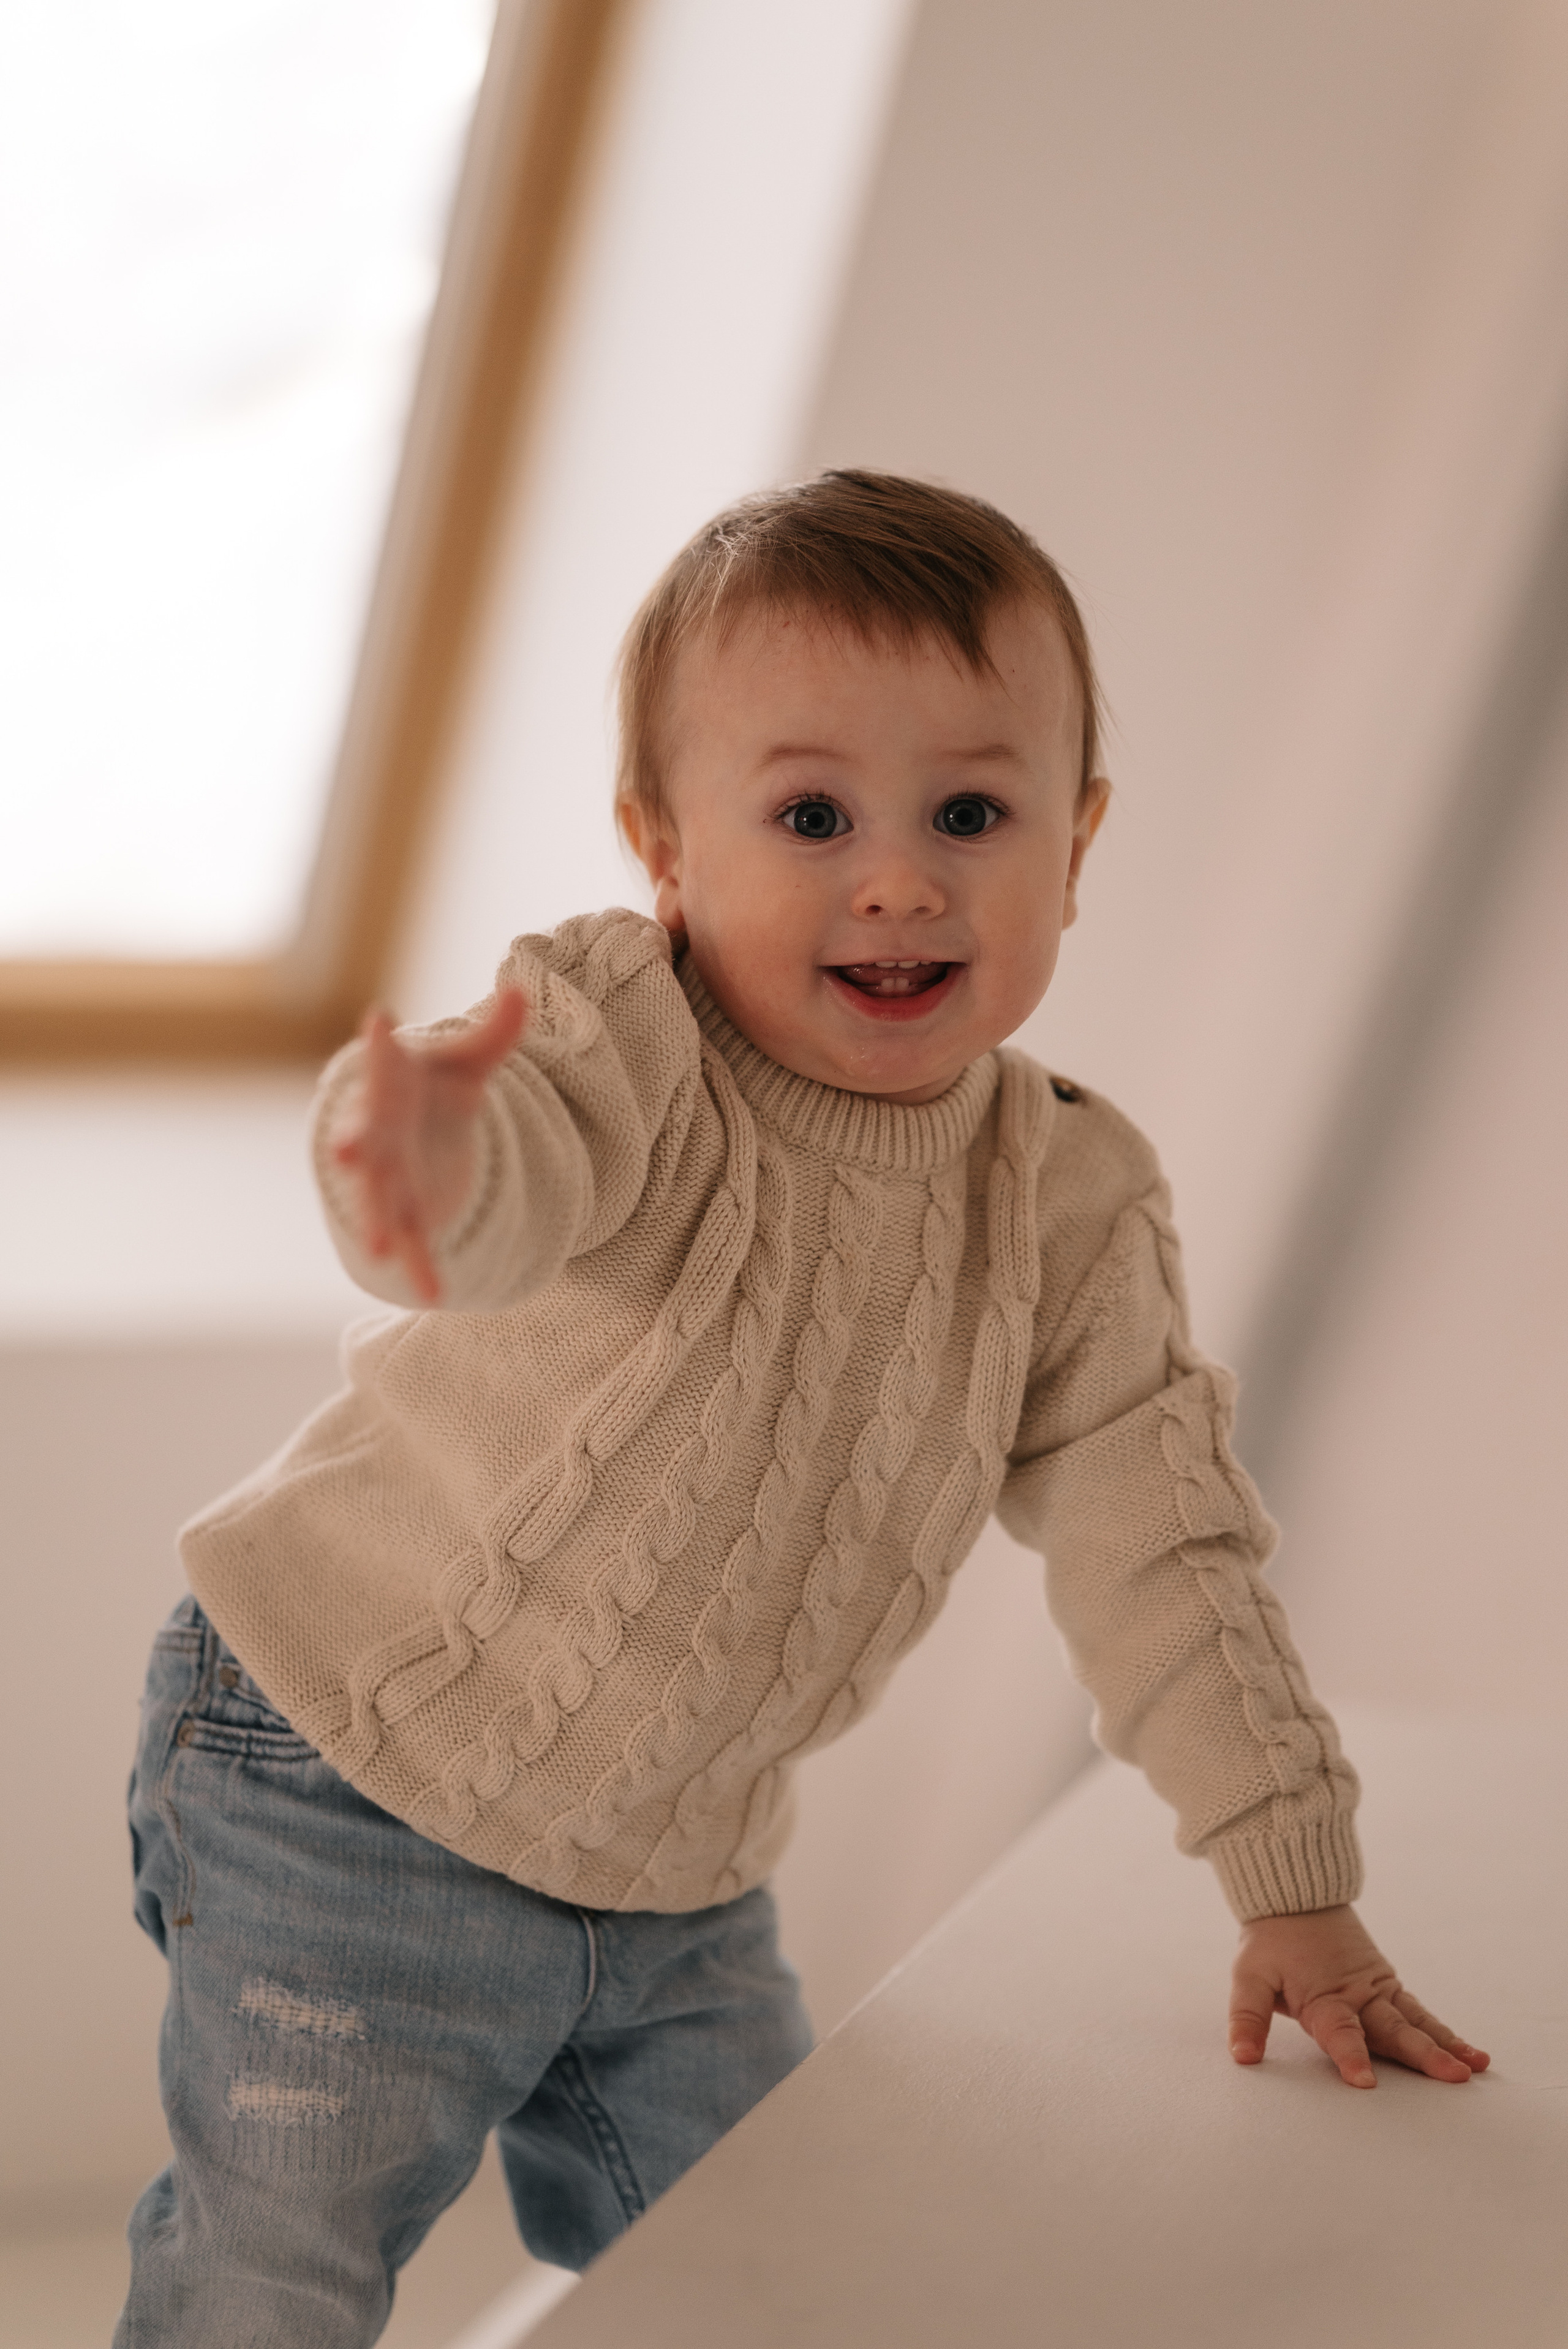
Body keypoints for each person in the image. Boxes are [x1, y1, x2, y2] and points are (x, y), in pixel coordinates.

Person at [116, 471, 1487, 2347]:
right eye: (815, 814)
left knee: (794, 2277)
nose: (903, 877)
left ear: (1078, 850)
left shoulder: (1067, 1200)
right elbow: (510, 1176)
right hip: (349, 1781)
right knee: (277, 2275)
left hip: (674, 1893)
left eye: (975, 813)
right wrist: (423, 1169)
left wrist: (1295, 1882)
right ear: (664, 846)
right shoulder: (626, 1034)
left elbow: (1164, 1546)